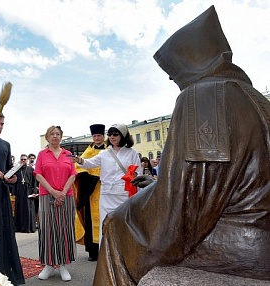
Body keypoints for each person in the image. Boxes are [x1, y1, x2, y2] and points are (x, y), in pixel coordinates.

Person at [93, 6, 270, 285]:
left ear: (194, 59)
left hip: (233, 244)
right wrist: (154, 187)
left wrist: (140, 209)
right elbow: (220, 181)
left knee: (116, 225)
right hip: (259, 237)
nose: (171, 78)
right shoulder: (255, 98)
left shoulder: (204, 95)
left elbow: (184, 205)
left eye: (174, 67)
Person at [73, 123, 142, 245]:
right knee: (106, 224)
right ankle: (105, 255)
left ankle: (124, 254)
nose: (112, 137)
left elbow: (138, 173)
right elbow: (90, 163)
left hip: (124, 194)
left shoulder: (132, 153)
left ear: (123, 135)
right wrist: (79, 160)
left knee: (124, 224)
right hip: (107, 195)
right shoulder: (105, 153)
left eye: (115, 134)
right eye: (109, 134)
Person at [0, 111, 25, 285]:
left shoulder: (6, 145)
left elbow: (9, 169)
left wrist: (12, 177)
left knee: (4, 231)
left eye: (2, 124)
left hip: (1, 192)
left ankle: (6, 274)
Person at [34, 125, 77, 282]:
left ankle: (63, 265)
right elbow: (38, 175)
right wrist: (53, 192)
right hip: (47, 195)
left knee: (65, 229)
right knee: (48, 229)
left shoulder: (68, 154)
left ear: (61, 137)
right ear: (47, 137)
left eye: (58, 134)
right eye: (52, 134)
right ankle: (49, 265)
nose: (55, 136)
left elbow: (73, 175)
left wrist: (62, 193)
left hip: (66, 196)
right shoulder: (42, 154)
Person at [74, 124, 106, 262]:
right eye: (95, 136)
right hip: (92, 191)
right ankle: (93, 251)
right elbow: (79, 167)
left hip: (106, 190)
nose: (97, 138)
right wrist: (92, 179)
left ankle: (106, 250)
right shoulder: (88, 151)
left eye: (99, 135)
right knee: (91, 220)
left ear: (103, 136)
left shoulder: (110, 150)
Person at [12, 154, 37, 233]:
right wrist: (14, 192)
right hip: (19, 191)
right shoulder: (17, 169)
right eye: (22, 159)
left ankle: (28, 228)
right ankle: (19, 227)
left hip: (28, 191)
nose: (23, 161)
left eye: (24, 159)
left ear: (27, 160)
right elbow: (14, 182)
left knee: (28, 209)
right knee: (19, 209)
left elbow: (34, 182)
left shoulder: (30, 169)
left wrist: (34, 192)